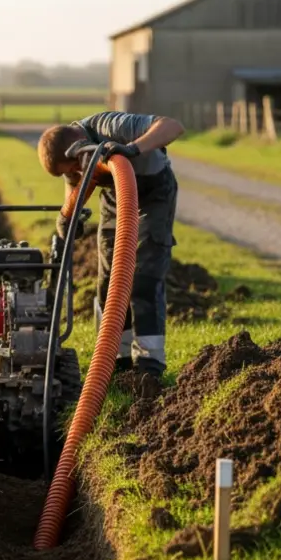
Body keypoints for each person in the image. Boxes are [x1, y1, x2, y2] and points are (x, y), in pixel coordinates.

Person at [36, 111, 184, 381]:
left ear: (78, 143)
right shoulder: (75, 159)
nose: (75, 173)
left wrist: (132, 148)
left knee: (143, 278)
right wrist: (68, 216)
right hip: (115, 197)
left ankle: (150, 364)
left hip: (153, 194)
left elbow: (173, 125)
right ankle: (117, 358)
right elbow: (74, 188)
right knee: (108, 281)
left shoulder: (110, 126)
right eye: (68, 172)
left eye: (72, 167)